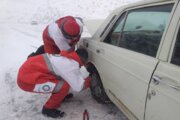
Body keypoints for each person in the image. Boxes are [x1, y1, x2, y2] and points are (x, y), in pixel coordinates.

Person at [17, 48, 91, 118]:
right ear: (82, 60)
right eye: (85, 61)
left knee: (65, 80)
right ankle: (48, 109)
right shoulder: (70, 65)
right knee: (63, 86)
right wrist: (90, 80)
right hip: (26, 81)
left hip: (29, 71)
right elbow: (78, 87)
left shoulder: (67, 57)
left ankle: (60, 96)